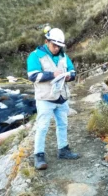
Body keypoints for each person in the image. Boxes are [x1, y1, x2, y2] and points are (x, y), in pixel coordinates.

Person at [27, 28, 79, 170]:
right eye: (54, 45)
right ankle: (39, 156)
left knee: (63, 124)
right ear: (46, 41)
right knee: (42, 127)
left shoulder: (63, 56)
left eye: (59, 46)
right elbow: (33, 76)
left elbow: (73, 71)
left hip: (62, 97)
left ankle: (63, 150)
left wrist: (69, 76)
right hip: (45, 99)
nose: (56, 48)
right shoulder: (35, 56)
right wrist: (52, 74)